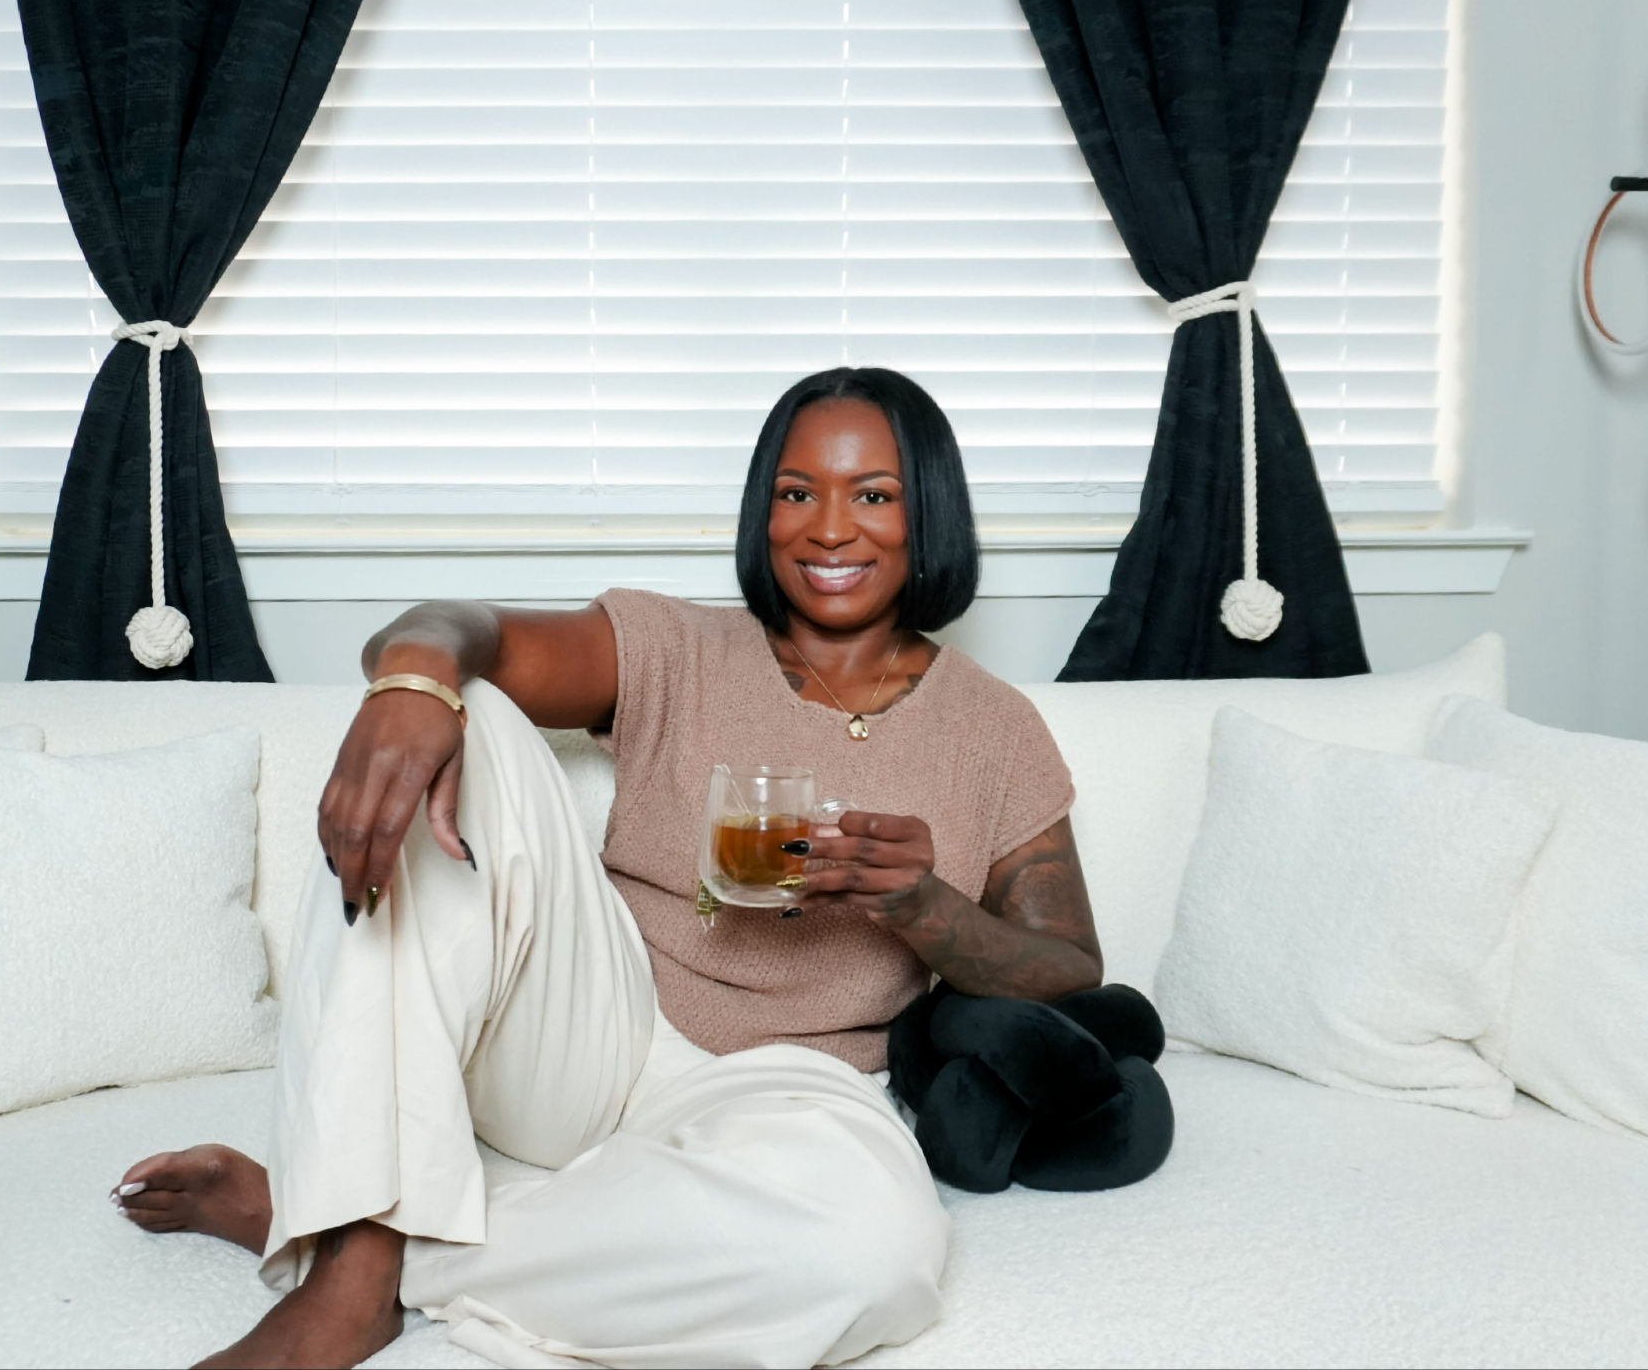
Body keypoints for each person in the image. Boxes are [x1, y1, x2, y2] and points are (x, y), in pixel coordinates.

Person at [111, 367, 1101, 1369]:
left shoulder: (996, 729)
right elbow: (467, 629)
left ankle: (352, 1232)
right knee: (465, 709)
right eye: (798, 493)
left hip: (798, 1086)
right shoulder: (677, 647)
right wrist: (412, 681)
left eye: (874, 495)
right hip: (598, 1022)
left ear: (927, 511)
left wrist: (924, 908)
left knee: (872, 1258)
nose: (830, 528)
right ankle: (350, 1279)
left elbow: (1068, 969)